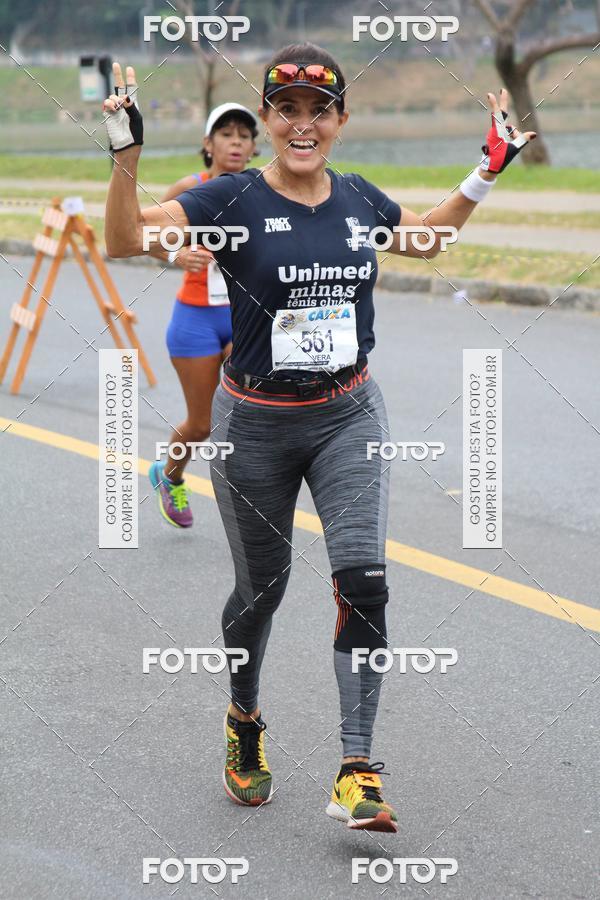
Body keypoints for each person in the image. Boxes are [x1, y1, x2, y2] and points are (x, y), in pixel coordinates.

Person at [103, 49, 534, 832]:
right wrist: (126, 155)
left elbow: (429, 238)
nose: (303, 124)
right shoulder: (227, 197)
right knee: (260, 592)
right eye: (287, 109)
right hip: (254, 425)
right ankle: (243, 718)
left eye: (319, 110)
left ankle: (357, 767)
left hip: (347, 415)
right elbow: (125, 239)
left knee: (365, 581)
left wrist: (488, 170)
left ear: (340, 120)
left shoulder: (358, 197)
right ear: (268, 119)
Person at [148, 103, 258, 528]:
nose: (235, 141)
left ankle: (253, 501)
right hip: (194, 321)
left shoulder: (261, 189)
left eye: (244, 136)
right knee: (202, 423)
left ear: (252, 148)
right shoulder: (189, 188)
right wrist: (176, 253)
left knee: (254, 412)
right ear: (207, 144)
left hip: (242, 318)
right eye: (226, 134)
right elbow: (141, 235)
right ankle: (169, 473)